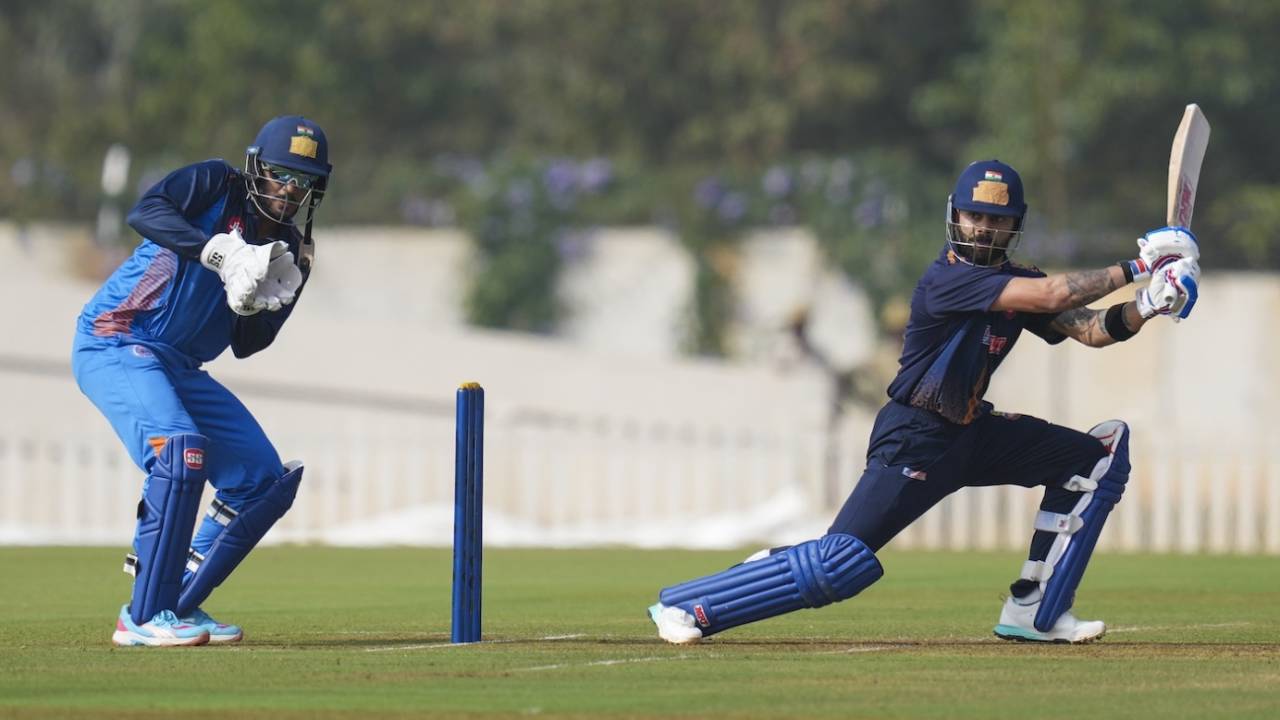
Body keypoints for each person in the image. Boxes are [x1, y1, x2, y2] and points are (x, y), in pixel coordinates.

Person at [648, 159, 1200, 645]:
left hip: (973, 434)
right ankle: (692, 605)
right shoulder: (948, 279)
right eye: (975, 216)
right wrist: (1142, 266)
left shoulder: (1017, 282)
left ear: (1014, 224)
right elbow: (1054, 293)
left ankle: (1036, 609)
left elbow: (1091, 330)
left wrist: (1151, 303)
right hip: (916, 435)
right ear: (956, 216)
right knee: (840, 563)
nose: (984, 228)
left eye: (997, 219)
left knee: (1092, 459)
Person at [72, 115, 332, 646]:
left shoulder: (291, 252)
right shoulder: (217, 183)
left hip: (180, 366)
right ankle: (142, 617)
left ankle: (177, 600)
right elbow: (146, 212)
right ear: (257, 168)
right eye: (282, 175)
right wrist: (220, 252)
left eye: (303, 181)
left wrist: (251, 303)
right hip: (117, 338)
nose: (289, 190)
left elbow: (248, 343)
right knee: (181, 450)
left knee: (262, 479)